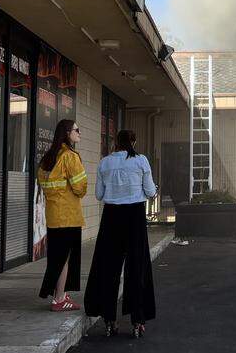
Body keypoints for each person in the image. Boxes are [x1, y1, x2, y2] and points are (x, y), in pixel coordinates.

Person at [86, 129, 158, 339]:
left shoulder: (105, 162)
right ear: (133, 142)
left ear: (115, 142)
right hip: (134, 216)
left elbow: (99, 195)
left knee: (109, 269)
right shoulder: (141, 160)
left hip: (111, 217)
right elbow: (151, 191)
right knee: (137, 268)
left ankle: (109, 319)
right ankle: (137, 320)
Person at [37, 119, 88, 312]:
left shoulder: (48, 157)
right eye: (77, 130)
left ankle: (60, 295)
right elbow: (80, 187)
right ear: (67, 133)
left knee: (57, 258)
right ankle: (59, 299)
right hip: (68, 216)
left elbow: (43, 184)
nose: (79, 133)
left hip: (53, 215)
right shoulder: (70, 157)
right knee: (65, 258)